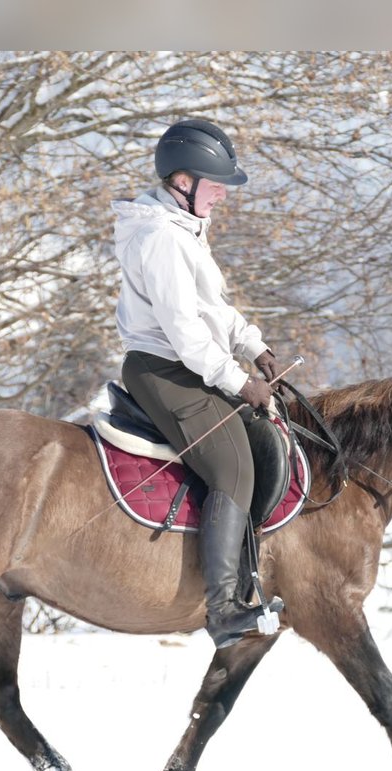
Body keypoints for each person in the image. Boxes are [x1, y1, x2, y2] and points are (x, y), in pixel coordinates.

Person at [111, 118, 283, 649]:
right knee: (232, 466)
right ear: (182, 182)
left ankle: (248, 569)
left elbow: (213, 309)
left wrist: (254, 346)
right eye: (215, 187)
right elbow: (185, 333)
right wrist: (239, 381)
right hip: (162, 368)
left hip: (186, 364)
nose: (221, 197)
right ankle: (223, 609)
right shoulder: (162, 238)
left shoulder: (184, 230)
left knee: (262, 437)